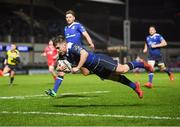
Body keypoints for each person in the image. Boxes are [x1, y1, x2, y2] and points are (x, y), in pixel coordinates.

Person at [45, 35, 154, 99]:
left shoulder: (72, 46)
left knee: (122, 70)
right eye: (56, 49)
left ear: (64, 45)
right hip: (95, 69)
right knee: (115, 78)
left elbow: (85, 54)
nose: (57, 51)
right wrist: (54, 91)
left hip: (100, 60)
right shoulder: (62, 55)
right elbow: (61, 73)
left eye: (58, 48)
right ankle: (135, 87)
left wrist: (77, 67)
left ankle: (141, 63)